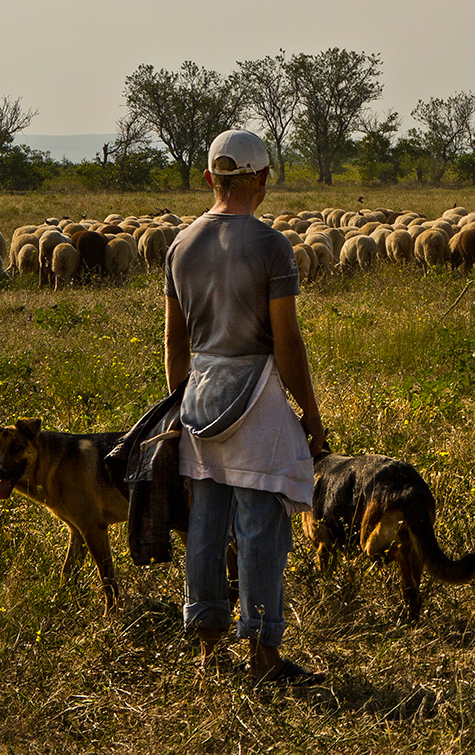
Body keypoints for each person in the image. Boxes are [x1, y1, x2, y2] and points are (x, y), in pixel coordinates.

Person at [164, 128, 326, 684]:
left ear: (210, 177)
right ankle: (263, 653)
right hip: (255, 393)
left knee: (206, 522)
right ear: (262, 180)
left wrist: (180, 402)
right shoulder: (271, 246)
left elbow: (174, 341)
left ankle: (209, 647)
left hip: (199, 396)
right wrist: (310, 413)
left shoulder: (180, 246)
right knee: (260, 523)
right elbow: (287, 341)